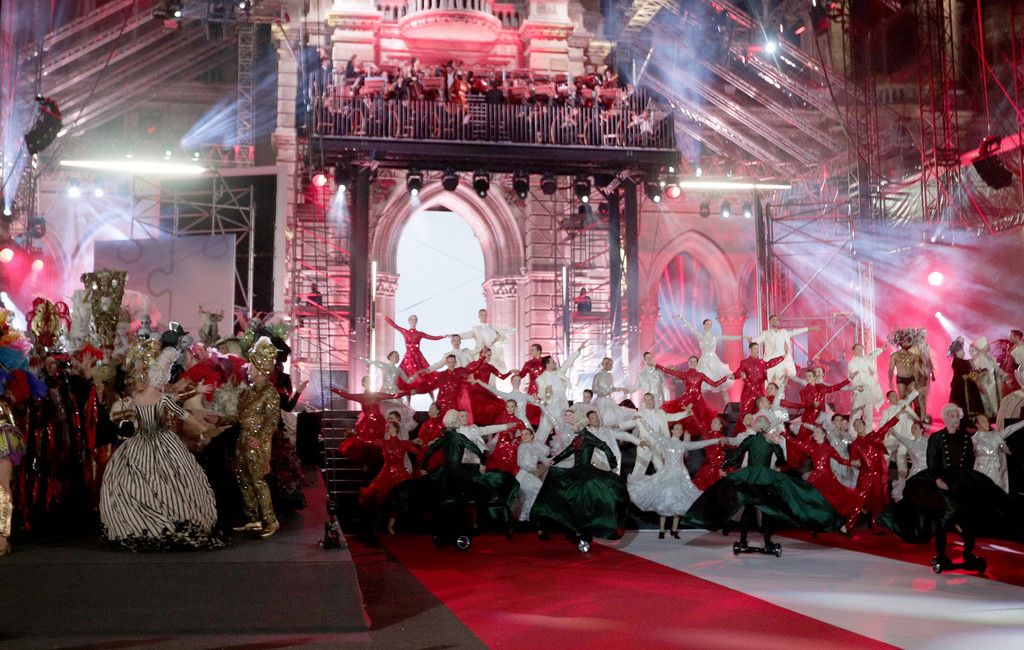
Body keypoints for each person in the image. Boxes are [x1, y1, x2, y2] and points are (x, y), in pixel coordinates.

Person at [100, 346, 223, 550]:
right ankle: (174, 517)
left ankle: (135, 522)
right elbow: (184, 415)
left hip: (138, 442)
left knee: (130, 480)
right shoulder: (162, 399)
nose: (165, 383)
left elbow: (128, 416)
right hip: (162, 441)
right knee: (174, 478)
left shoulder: (136, 397)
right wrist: (203, 428)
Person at [880, 403, 1024, 571]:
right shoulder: (936, 437)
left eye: (957, 416)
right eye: (952, 416)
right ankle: (941, 555)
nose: (955, 419)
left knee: (967, 519)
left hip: (960, 482)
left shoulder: (965, 438)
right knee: (943, 518)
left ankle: (968, 554)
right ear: (945, 418)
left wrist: (968, 482)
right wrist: (937, 479)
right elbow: (932, 460)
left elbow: (968, 462)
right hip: (941, 481)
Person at [683, 415, 843, 552]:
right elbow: (781, 461)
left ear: (758, 426)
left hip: (750, 476)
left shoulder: (750, 439)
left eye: (754, 422)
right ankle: (767, 542)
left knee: (748, 510)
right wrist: (776, 450)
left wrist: (724, 467)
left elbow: (736, 455)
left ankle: (743, 541)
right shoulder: (771, 442)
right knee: (767, 510)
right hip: (765, 477)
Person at [531, 423, 629, 550]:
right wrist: (555, 460)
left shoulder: (589, 437)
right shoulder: (577, 438)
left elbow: (604, 446)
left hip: (587, 472)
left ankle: (584, 534)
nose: (571, 426)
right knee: (560, 482)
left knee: (583, 501)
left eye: (573, 424)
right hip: (576, 471)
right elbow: (568, 451)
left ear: (580, 424)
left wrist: (613, 463)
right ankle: (572, 528)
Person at [628, 421, 723, 539]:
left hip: (680, 475)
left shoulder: (684, 444)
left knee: (679, 501)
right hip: (667, 474)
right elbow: (652, 432)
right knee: (664, 500)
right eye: (677, 428)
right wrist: (641, 420)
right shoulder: (665, 441)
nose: (679, 431)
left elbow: (700, 444)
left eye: (681, 429)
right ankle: (662, 530)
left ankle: (674, 529)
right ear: (672, 430)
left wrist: (716, 440)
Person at [847, 392, 916, 528]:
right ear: (854, 428)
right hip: (866, 475)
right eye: (856, 425)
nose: (859, 426)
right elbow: (853, 460)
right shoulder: (855, 444)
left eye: (860, 423)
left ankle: (875, 523)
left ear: (864, 425)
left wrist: (899, 414)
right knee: (860, 499)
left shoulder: (875, 437)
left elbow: (887, 425)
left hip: (878, 474)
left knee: (878, 499)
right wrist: (855, 463)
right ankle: (848, 525)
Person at [782, 422, 861, 531]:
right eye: (814, 432)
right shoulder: (811, 447)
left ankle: (835, 524)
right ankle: (818, 524)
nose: (815, 434)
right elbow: (797, 443)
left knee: (832, 501)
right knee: (815, 500)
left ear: (824, 434)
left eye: (817, 432)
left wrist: (851, 463)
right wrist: (785, 435)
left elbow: (840, 460)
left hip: (828, 478)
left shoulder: (829, 448)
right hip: (816, 478)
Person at [361, 422, 420, 533]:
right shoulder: (383, 442)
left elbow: (418, 452)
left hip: (400, 474)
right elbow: (368, 441)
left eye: (390, 426)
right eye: (387, 427)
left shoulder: (403, 443)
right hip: (386, 473)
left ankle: (391, 525)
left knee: (399, 499)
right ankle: (379, 524)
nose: (387, 428)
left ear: (396, 429)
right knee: (380, 497)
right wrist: (356, 436)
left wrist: (427, 445)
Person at [332, 377, 407, 465]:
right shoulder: (361, 397)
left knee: (379, 444)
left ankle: (379, 462)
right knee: (366, 445)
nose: (369, 383)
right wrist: (335, 390)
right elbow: (347, 395)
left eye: (370, 381)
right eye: (367, 381)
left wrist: (407, 392)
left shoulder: (377, 395)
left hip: (378, 423)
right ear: (363, 384)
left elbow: (393, 396)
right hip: (366, 424)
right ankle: (368, 464)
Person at [618, 394, 688, 478]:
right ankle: (633, 483)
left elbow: (672, 417)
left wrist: (686, 413)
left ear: (654, 401)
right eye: (646, 400)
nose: (649, 402)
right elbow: (629, 424)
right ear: (644, 401)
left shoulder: (660, 412)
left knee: (661, 468)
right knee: (638, 470)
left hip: (658, 444)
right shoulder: (639, 414)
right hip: (645, 444)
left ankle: (662, 484)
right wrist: (616, 426)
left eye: (650, 399)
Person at [535, 342, 586, 451]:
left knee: (564, 433)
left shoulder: (559, 373)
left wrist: (579, 350)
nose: (555, 363)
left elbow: (568, 363)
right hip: (550, 410)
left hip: (562, 409)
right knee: (542, 434)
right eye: (552, 362)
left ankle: (564, 454)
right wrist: (547, 393)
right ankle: (534, 455)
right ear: (547, 364)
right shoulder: (541, 379)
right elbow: (541, 395)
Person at [657, 356, 729, 427]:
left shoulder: (701, 375)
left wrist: (725, 378)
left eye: (694, 362)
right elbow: (668, 371)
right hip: (686, 400)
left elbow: (714, 384)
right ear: (688, 363)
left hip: (698, 401)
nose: (692, 363)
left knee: (699, 422)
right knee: (683, 420)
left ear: (697, 364)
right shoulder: (684, 374)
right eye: (691, 361)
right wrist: (656, 365)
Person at [677, 316, 744, 392]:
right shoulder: (700, 336)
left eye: (710, 325)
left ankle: (728, 400)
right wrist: (682, 319)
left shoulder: (714, 337)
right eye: (707, 324)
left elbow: (727, 337)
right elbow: (691, 328)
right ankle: (698, 398)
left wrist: (741, 337)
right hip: (704, 361)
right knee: (700, 382)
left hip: (714, 360)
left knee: (720, 381)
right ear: (704, 325)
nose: (709, 326)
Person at [383, 315, 445, 392]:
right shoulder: (405, 332)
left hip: (418, 357)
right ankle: (408, 393)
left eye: (415, 319)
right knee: (406, 373)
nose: (413, 320)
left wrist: (443, 336)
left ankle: (425, 391)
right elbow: (395, 326)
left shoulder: (420, 334)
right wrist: (384, 317)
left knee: (424, 374)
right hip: (408, 357)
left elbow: (432, 337)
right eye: (412, 319)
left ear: (417, 321)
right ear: (409, 321)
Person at [753, 315, 815, 383]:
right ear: (769, 322)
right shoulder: (766, 333)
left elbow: (796, 331)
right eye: (773, 320)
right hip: (770, 363)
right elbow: (756, 341)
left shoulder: (784, 332)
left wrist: (809, 328)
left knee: (781, 383)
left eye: (776, 320)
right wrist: (751, 342)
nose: (775, 321)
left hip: (782, 363)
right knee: (769, 383)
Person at [971, 414, 1024, 492]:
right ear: (977, 424)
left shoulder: (995, 435)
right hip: (983, 472)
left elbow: (1010, 429)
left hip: (997, 471)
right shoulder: (973, 439)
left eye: (987, 421)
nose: (987, 423)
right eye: (983, 421)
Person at [733, 342, 785, 418]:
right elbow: (739, 371)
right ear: (750, 350)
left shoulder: (761, 362)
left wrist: (782, 357)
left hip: (760, 392)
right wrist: (734, 376)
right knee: (744, 415)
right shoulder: (745, 362)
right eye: (755, 349)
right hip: (748, 392)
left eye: (758, 349)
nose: (757, 350)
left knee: (761, 415)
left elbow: (770, 363)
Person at [591, 357, 635, 427]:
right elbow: (594, 389)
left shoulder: (610, 375)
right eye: (611, 365)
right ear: (606, 364)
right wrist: (601, 393)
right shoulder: (597, 376)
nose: (612, 367)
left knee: (616, 415)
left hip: (609, 400)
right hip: (600, 400)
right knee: (601, 417)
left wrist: (621, 389)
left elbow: (612, 388)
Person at [971, 338, 1006, 418]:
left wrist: (1004, 375)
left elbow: (995, 368)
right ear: (982, 347)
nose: (988, 346)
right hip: (985, 385)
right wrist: (978, 384)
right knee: (990, 405)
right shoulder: (977, 359)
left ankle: (997, 418)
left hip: (992, 384)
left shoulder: (988, 357)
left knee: (995, 403)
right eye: (987, 345)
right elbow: (973, 374)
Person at [847, 343, 885, 418]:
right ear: (853, 351)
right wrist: (869, 372)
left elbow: (872, 355)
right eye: (858, 349)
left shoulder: (865, 359)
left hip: (868, 389)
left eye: (861, 349)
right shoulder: (852, 363)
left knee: (868, 414)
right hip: (860, 390)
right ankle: (854, 424)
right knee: (856, 413)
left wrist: (881, 349)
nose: (860, 351)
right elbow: (855, 377)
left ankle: (868, 426)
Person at [948, 337, 983, 416]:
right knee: (963, 404)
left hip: (960, 385)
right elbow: (968, 373)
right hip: (963, 387)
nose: (964, 352)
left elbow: (969, 373)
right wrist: (978, 377)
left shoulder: (959, 361)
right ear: (957, 352)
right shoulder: (960, 362)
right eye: (962, 351)